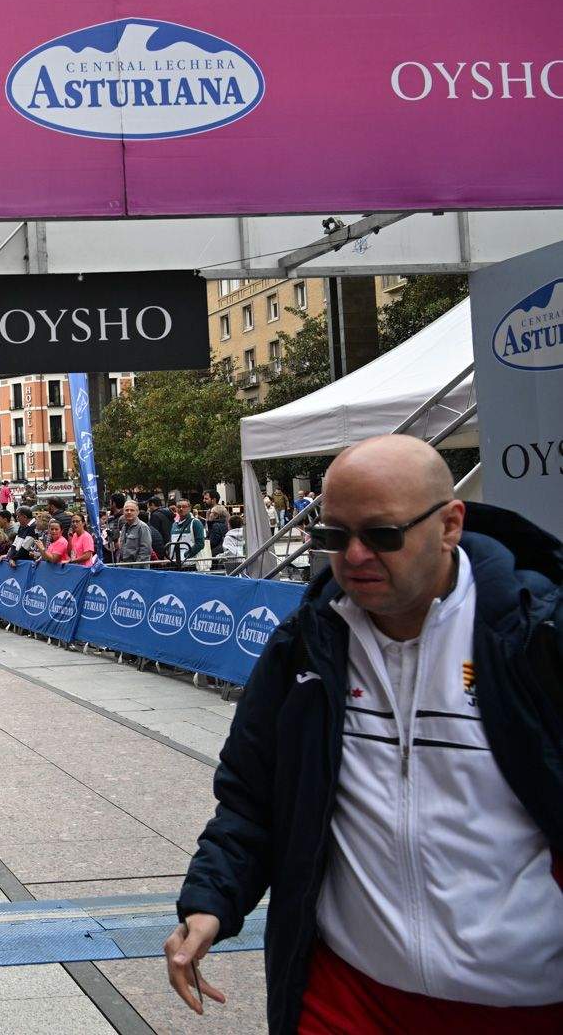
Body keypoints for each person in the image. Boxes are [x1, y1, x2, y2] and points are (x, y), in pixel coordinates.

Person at [164, 434, 563, 1032]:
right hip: (348, 996)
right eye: (333, 535)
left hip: (531, 1002)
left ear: (450, 525)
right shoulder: (305, 643)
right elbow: (253, 797)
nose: (353, 556)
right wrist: (209, 903)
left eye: (382, 535)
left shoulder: (538, 636)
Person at [110, 501, 155, 565]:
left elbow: (145, 551)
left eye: (132, 510)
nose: (129, 512)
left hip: (136, 568)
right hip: (124, 566)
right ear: (123, 512)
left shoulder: (143, 527)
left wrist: (136, 567)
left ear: (137, 512)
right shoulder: (124, 527)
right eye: (126, 510)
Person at [168, 499, 208, 568]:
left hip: (190, 564)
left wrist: (186, 555)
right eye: (179, 507)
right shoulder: (174, 524)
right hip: (175, 563)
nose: (181, 509)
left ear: (189, 508)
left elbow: (200, 544)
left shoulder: (195, 523)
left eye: (184, 507)